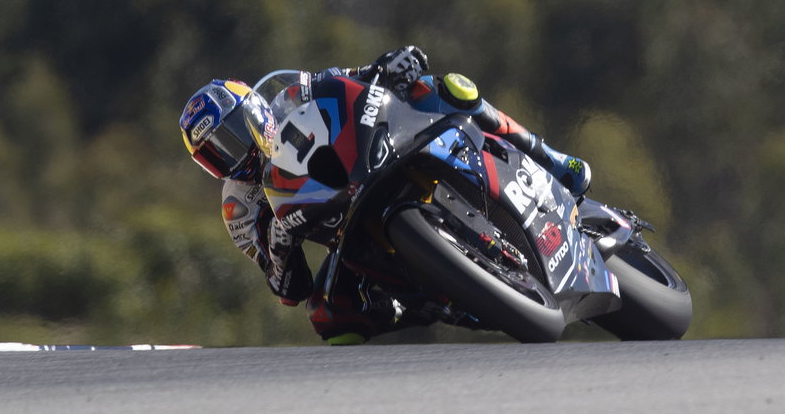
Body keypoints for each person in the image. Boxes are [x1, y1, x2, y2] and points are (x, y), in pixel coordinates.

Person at [178, 45, 592, 344]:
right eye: (216, 154)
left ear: (252, 112)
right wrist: (281, 243)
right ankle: (416, 327)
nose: (231, 156)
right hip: (346, 234)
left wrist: (388, 66)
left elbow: (345, 80)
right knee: (328, 316)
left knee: (446, 88)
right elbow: (287, 288)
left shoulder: (291, 95)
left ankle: (551, 157)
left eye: (230, 138)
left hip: (374, 161)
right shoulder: (239, 207)